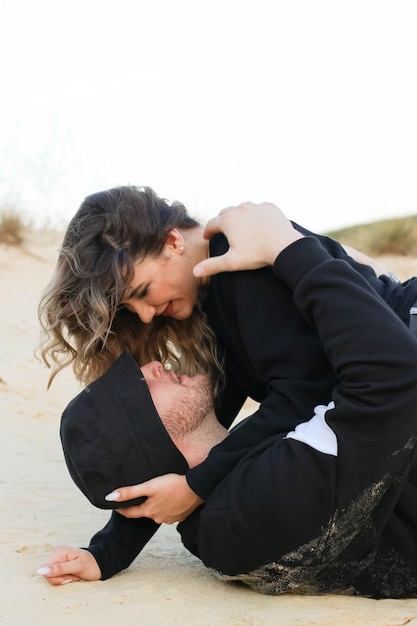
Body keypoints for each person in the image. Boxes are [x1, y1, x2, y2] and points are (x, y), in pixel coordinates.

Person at [37, 206, 417, 598]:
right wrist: (108, 551)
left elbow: (301, 394)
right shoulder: (220, 313)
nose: (147, 318)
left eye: (143, 293)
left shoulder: (236, 263)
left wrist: (286, 246)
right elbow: (170, 448)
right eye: (132, 309)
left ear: (172, 242)